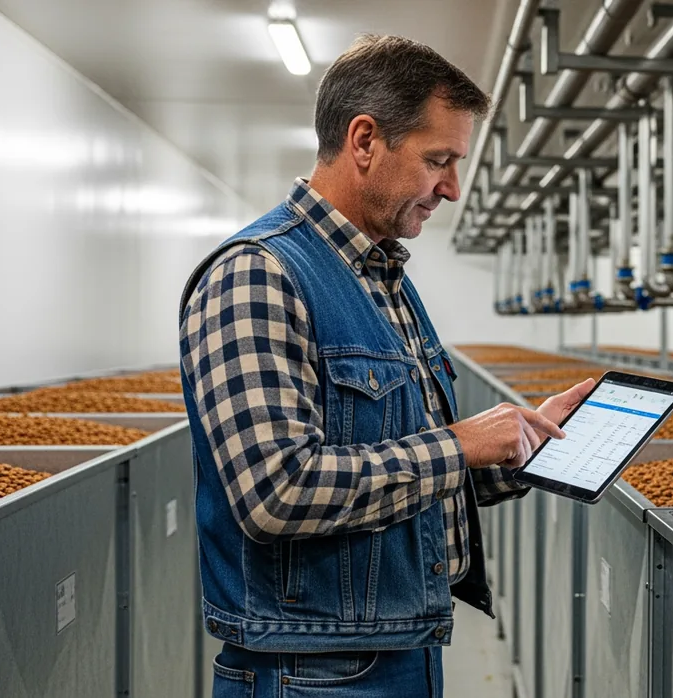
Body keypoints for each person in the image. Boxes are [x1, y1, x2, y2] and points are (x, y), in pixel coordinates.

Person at [178, 34, 593, 697]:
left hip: (399, 648)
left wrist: (521, 446)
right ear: (365, 140)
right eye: (438, 160)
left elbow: (402, 467)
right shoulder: (258, 275)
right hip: (311, 675)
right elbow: (276, 492)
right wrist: (459, 445)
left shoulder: (383, 278)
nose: (451, 188)